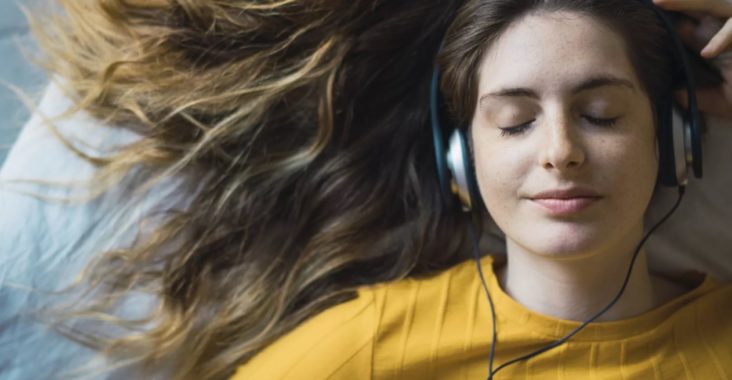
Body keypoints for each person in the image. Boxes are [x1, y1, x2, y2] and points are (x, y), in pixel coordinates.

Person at [0, 0, 730, 379]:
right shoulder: (371, 346)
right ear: (459, 160)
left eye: (601, 115)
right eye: (513, 123)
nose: (562, 152)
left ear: (677, 143)